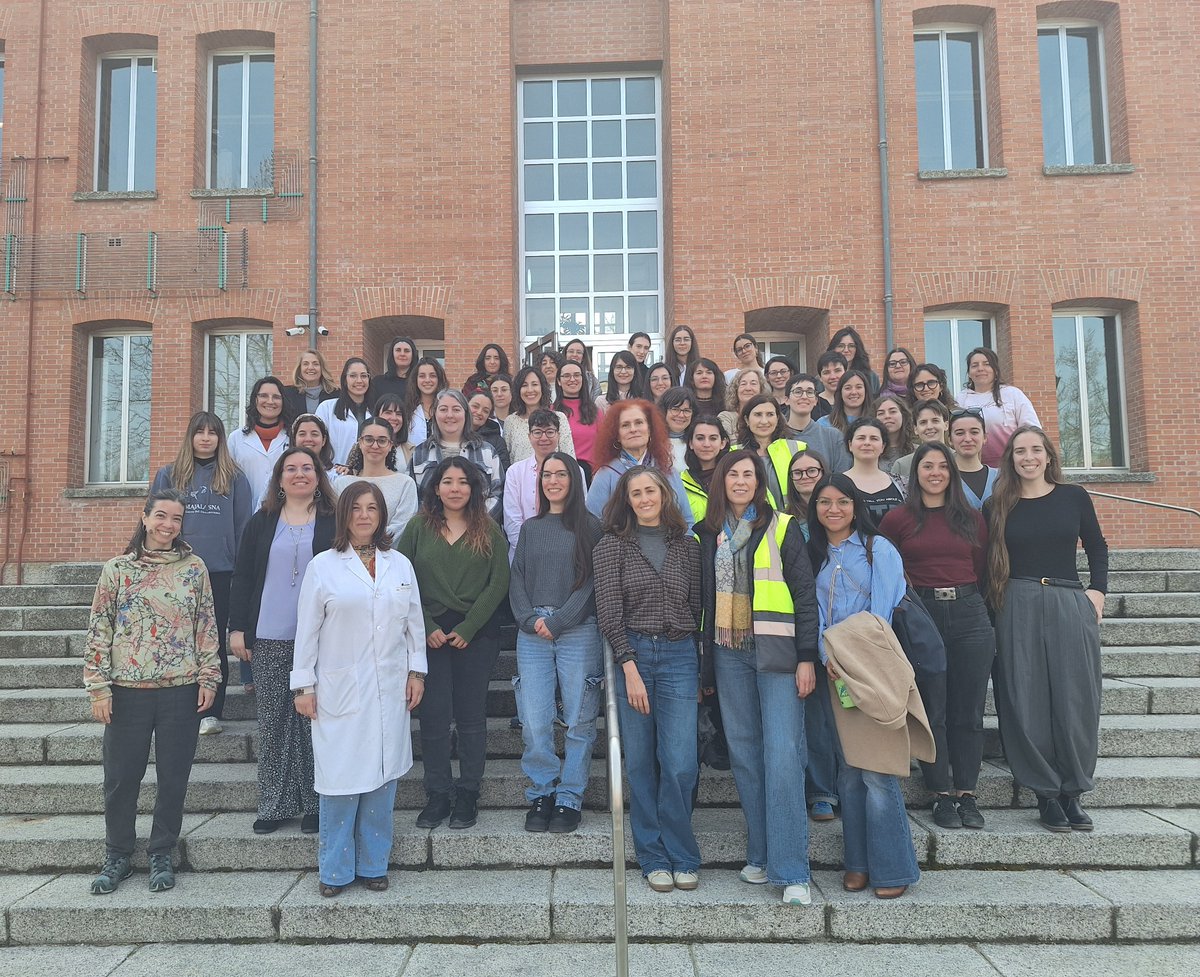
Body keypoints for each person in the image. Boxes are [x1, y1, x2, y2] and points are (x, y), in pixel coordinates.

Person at [291, 481, 427, 897]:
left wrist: (416, 673)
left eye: (373, 508)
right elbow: (307, 631)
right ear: (344, 514)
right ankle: (334, 871)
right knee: (340, 781)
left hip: (389, 687)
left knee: (382, 779)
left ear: (382, 516)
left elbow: (414, 625)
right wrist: (304, 685)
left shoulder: (399, 564)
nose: (365, 515)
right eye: (357, 508)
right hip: (339, 688)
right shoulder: (323, 566)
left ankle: (373, 864)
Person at [696, 451, 819, 906]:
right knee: (746, 755)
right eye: (733, 474)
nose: (741, 481)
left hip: (778, 654)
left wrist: (807, 656)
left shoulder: (783, 526)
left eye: (749, 474)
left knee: (784, 754)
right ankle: (762, 853)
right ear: (722, 482)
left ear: (760, 481)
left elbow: (805, 596)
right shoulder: (707, 533)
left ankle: (792, 872)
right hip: (729, 655)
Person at [84, 490, 220, 895]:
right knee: (122, 777)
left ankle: (162, 851)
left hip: (181, 690)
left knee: (174, 777)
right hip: (127, 691)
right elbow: (99, 629)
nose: (168, 525)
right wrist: (98, 687)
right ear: (144, 518)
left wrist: (209, 677)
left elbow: (206, 625)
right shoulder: (117, 570)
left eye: (176, 519)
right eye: (161, 516)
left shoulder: (195, 569)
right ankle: (118, 854)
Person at [985, 426, 1107, 833]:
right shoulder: (998, 504)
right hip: (1015, 602)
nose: (1028, 457)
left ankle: (1073, 791)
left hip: (1068, 600)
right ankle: (1046, 795)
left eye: (1036, 450)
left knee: (1077, 697)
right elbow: (987, 560)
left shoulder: (1073, 496)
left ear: (1049, 456)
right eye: (1020, 451)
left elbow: (1096, 545)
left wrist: (1098, 592)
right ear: (1011, 458)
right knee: (1026, 696)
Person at [593, 466, 702, 892]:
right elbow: (608, 611)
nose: (644, 499)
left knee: (679, 764)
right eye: (635, 493)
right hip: (634, 656)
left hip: (678, 656)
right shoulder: (611, 546)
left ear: (664, 494)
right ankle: (652, 855)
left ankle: (683, 853)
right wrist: (628, 666)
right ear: (627, 499)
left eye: (650, 491)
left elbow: (695, 607)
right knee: (639, 763)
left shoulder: (687, 546)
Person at [808, 473, 917, 898]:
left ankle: (893, 869)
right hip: (833, 673)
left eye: (842, 501)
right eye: (824, 502)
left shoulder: (879, 550)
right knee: (849, 772)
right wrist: (826, 656)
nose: (833, 509)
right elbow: (811, 609)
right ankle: (857, 863)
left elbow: (881, 615)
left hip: (872, 669)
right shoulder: (813, 552)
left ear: (856, 505)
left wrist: (854, 659)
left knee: (878, 770)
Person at [880, 443, 994, 831]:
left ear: (951, 472)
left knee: (970, 709)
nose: (934, 472)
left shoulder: (971, 518)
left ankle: (967, 792)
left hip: (969, 612)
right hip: (922, 615)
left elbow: (980, 565)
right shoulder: (898, 520)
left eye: (942, 466)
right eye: (927, 466)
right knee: (932, 708)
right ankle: (940, 793)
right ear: (916, 474)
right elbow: (889, 570)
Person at [397, 458, 510, 831]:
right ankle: (438, 794)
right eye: (447, 481)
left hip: (475, 635)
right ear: (435, 488)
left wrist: (470, 626)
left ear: (474, 489)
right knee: (433, 715)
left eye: (463, 482)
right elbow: (403, 580)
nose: (456, 488)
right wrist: (426, 625)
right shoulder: (417, 528)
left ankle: (468, 793)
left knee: (471, 716)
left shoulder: (488, 529)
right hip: (427, 634)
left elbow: (498, 582)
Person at [228, 447, 336, 835]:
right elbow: (242, 576)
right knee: (274, 722)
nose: (300, 474)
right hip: (269, 635)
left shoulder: (332, 520)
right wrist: (238, 627)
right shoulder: (262, 521)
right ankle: (274, 803)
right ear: (279, 478)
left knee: (313, 724)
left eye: (308, 468)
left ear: (318, 476)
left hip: (320, 639)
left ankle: (315, 802)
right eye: (291, 468)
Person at [509, 453, 604, 834]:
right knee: (534, 721)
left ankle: (569, 797)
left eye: (560, 474)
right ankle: (542, 791)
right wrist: (530, 619)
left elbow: (595, 580)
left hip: (577, 629)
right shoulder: (531, 528)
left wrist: (561, 619)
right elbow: (517, 576)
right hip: (532, 631)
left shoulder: (590, 526)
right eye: (546, 475)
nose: (552, 481)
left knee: (580, 719)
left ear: (574, 480)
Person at [151, 412, 252, 735]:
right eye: (200, 432)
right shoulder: (169, 475)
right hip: (177, 573)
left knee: (213, 644)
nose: (206, 438)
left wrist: (241, 571)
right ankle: (177, 708)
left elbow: (243, 528)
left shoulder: (235, 478)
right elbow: (154, 524)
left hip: (220, 572)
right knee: (178, 641)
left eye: (213, 432)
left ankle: (211, 712)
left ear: (221, 439)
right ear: (190, 436)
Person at [784, 448, 841, 822]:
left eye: (812, 471)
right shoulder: (783, 520)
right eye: (798, 473)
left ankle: (848, 783)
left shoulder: (837, 515)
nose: (805, 477)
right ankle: (820, 790)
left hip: (840, 624)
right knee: (814, 712)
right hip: (800, 624)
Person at [586, 399, 691, 520]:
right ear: (617, 435)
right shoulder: (606, 474)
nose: (633, 429)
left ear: (650, 429)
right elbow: (592, 522)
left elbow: (686, 518)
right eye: (625, 425)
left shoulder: (667, 469)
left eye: (639, 423)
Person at [409, 389, 505, 519]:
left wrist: (471, 523)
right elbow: (412, 499)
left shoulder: (487, 452)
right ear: (435, 414)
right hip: (431, 532)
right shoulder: (419, 453)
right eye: (443, 409)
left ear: (466, 414)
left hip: (479, 532)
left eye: (456, 409)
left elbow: (498, 493)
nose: (450, 415)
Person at [333, 417, 419, 543]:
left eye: (382, 441)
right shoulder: (341, 483)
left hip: (390, 557)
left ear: (390, 445)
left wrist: (370, 544)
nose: (375, 445)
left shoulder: (405, 483)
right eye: (368, 439)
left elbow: (402, 525)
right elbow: (338, 523)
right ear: (360, 443)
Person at [958, 347, 1040, 467]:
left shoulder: (1012, 394)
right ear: (969, 373)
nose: (980, 368)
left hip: (1012, 467)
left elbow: (1032, 430)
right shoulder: (961, 399)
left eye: (986, 364)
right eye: (975, 365)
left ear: (995, 370)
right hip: (975, 468)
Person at [503, 409, 562, 561]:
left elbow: (578, 513)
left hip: (562, 553)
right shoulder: (515, 472)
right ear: (529, 437)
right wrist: (533, 549)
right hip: (523, 555)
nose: (544, 438)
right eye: (537, 432)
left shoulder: (574, 471)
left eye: (550, 432)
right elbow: (512, 521)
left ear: (558, 435)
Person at [227, 375, 290, 507]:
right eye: (263, 396)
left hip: (285, 513)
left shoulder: (293, 438)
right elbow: (227, 481)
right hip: (244, 513)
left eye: (276, 397)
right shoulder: (236, 439)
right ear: (255, 400)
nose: (270, 401)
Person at [733, 395, 802, 508]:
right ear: (746, 420)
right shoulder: (733, 454)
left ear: (778, 418)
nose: (764, 421)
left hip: (794, 520)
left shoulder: (797, 449)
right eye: (758, 415)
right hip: (752, 521)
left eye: (770, 414)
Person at [505, 366, 576, 463]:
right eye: (524, 385)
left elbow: (569, 457)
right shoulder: (511, 421)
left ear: (542, 388)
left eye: (534, 384)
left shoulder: (559, 418)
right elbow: (508, 460)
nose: (530, 390)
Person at [842, 418, 907, 523]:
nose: (867, 443)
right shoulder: (837, 484)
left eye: (874, 438)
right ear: (850, 445)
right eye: (861, 438)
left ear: (883, 446)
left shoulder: (902, 484)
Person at [782, 375, 850, 474]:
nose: (804, 397)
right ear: (786, 400)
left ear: (815, 400)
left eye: (810, 392)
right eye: (798, 392)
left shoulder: (833, 437)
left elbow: (842, 476)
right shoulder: (777, 437)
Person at [316, 358, 373, 466]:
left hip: (367, 475)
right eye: (353, 376)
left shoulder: (375, 411)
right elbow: (316, 442)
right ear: (344, 380)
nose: (359, 380)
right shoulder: (327, 408)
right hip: (333, 474)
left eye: (364, 376)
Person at [554, 358, 604, 479]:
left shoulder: (595, 412)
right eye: (566, 376)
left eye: (577, 375)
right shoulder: (551, 412)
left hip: (590, 476)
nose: (572, 379)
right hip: (560, 473)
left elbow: (604, 445)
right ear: (559, 381)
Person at [681, 416, 730, 524]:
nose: (706, 444)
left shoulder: (735, 477)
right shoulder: (679, 483)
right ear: (690, 443)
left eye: (713, 438)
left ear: (723, 443)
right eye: (700, 438)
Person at [948, 407, 997, 509]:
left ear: (984, 437)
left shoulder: (1001, 478)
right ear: (950, 440)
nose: (967, 439)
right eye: (960, 433)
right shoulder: (944, 478)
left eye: (974, 432)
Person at [892, 399, 950, 480]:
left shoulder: (958, 459)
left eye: (935, 421)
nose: (929, 427)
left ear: (946, 425)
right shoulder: (902, 466)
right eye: (923, 422)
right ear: (915, 429)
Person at [404, 356, 449, 448]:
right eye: (422, 376)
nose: (427, 380)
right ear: (416, 380)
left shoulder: (448, 409)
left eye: (432, 376)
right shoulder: (406, 410)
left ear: (439, 379)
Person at [283, 349, 339, 420]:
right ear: (299, 368)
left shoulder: (336, 395)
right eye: (305, 364)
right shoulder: (287, 394)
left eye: (315, 364)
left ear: (322, 368)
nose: (310, 368)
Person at [467, 389, 513, 474]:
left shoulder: (496, 441)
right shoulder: (453, 433)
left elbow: (503, 473)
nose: (479, 412)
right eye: (475, 406)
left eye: (485, 411)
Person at [719, 367, 767, 440]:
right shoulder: (726, 417)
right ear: (736, 390)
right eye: (743, 384)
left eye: (753, 384)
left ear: (761, 389)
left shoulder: (769, 416)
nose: (748, 388)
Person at [818, 370, 870, 437]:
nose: (854, 392)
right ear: (840, 392)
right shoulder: (824, 424)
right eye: (848, 388)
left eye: (859, 387)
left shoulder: (877, 421)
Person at [827, 327, 879, 394]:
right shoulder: (824, 377)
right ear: (833, 348)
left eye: (851, 346)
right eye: (840, 346)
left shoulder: (871, 377)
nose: (846, 350)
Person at [873, 394, 918, 473]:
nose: (887, 416)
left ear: (903, 416)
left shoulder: (917, 452)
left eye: (893, 411)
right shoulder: (870, 451)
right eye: (881, 413)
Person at [368, 336, 418, 405]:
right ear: (392, 354)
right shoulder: (378, 383)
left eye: (407, 351)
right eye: (398, 350)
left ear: (413, 355)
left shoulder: (419, 383)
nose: (402, 354)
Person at [658, 387, 698, 472]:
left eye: (686, 411)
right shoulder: (652, 442)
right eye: (675, 409)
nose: (681, 415)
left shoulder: (697, 443)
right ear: (664, 411)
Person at [373, 394, 416, 468]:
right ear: (377, 416)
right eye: (388, 412)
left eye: (398, 414)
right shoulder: (363, 446)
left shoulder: (412, 451)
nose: (394, 418)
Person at [813, 351, 848, 421]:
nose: (833, 377)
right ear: (820, 377)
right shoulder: (813, 403)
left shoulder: (855, 401)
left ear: (846, 372)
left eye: (837, 371)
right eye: (826, 372)